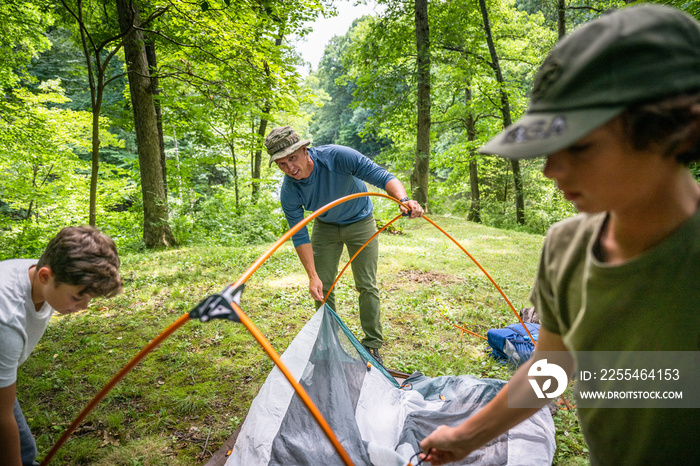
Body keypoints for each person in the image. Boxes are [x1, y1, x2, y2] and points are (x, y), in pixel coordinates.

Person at [420, 5, 700, 465]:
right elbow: (552, 368)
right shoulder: (564, 247)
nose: (551, 170)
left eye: (582, 146)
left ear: (680, 128)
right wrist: (467, 436)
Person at [265, 126, 424, 364]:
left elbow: (382, 176)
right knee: (322, 288)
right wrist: (312, 276)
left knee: (366, 284)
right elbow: (299, 235)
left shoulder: (338, 156)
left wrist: (403, 200)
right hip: (325, 226)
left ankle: (372, 345)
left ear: (304, 149)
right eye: (281, 164)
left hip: (360, 221)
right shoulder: (289, 190)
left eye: (292, 159)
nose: (290, 169)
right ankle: (328, 344)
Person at [0, 226, 122, 466]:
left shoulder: (45, 274)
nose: (84, 306)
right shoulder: (6, 320)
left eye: (90, 298)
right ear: (45, 276)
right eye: (77, 297)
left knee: (23, 450)